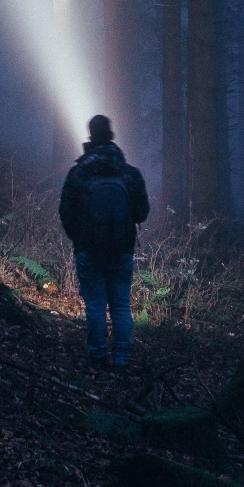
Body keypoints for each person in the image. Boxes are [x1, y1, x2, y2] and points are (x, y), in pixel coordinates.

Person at [59, 113, 150, 372]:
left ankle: (97, 357)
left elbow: (66, 212)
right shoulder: (130, 174)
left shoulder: (78, 173)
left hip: (88, 250)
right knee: (121, 305)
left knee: (95, 305)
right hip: (122, 250)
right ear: (112, 136)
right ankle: (122, 359)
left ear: (90, 136)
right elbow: (142, 212)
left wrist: (80, 239)